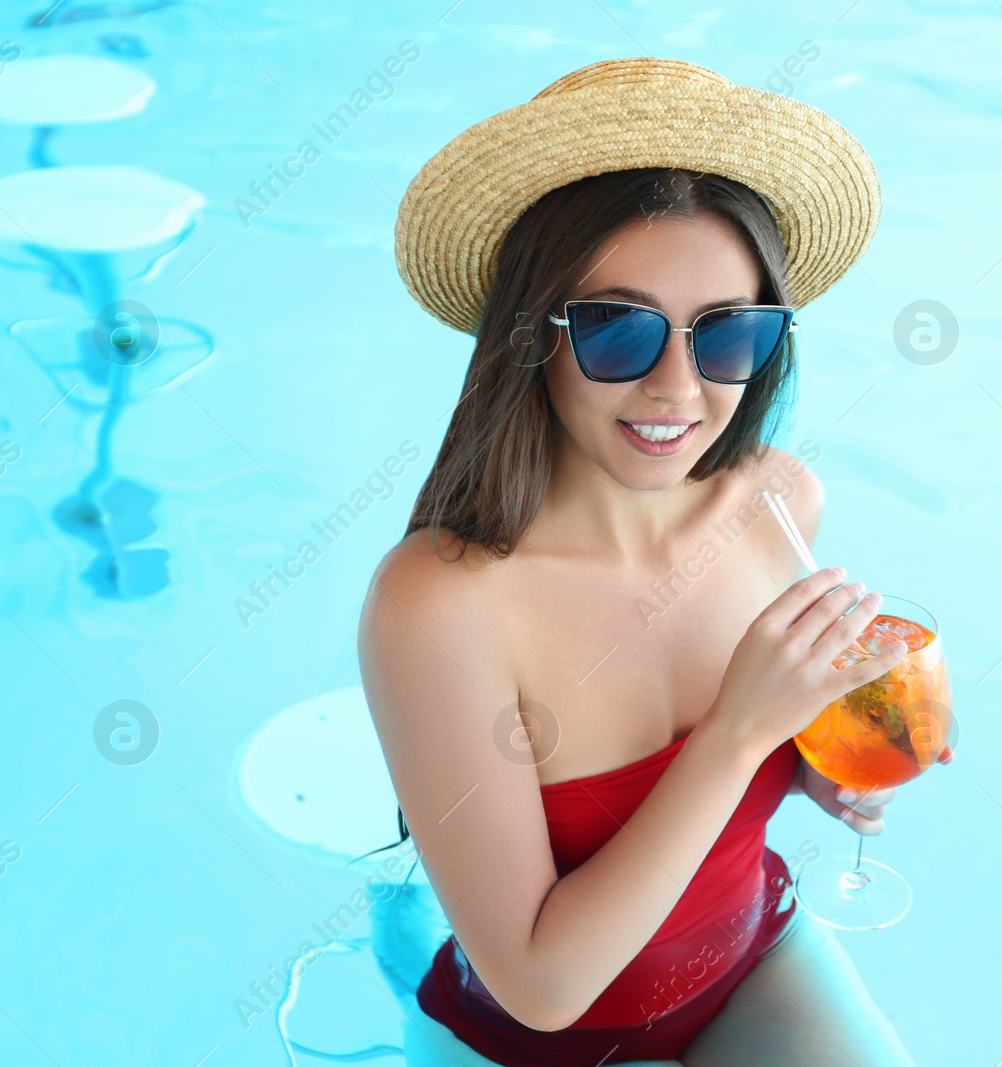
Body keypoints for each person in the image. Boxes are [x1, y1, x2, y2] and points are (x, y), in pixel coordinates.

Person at [358, 57, 922, 1067]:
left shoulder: (777, 503)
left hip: (749, 958)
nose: (678, 389)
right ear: (532, 335)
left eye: (728, 332)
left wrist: (825, 770)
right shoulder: (440, 603)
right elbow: (539, 986)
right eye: (618, 329)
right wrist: (741, 730)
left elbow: (757, 770)